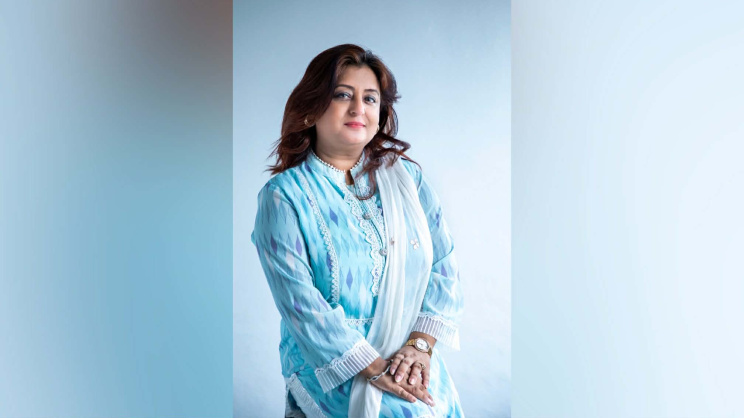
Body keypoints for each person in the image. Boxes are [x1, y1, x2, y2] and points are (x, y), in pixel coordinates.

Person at [251, 44, 464, 418]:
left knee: (434, 409)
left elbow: (444, 267)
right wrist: (374, 367)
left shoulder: (408, 180)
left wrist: (419, 347)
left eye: (369, 98)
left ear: (380, 114)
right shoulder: (284, 196)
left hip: (408, 356)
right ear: (311, 108)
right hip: (331, 363)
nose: (358, 109)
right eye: (342, 95)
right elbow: (302, 307)